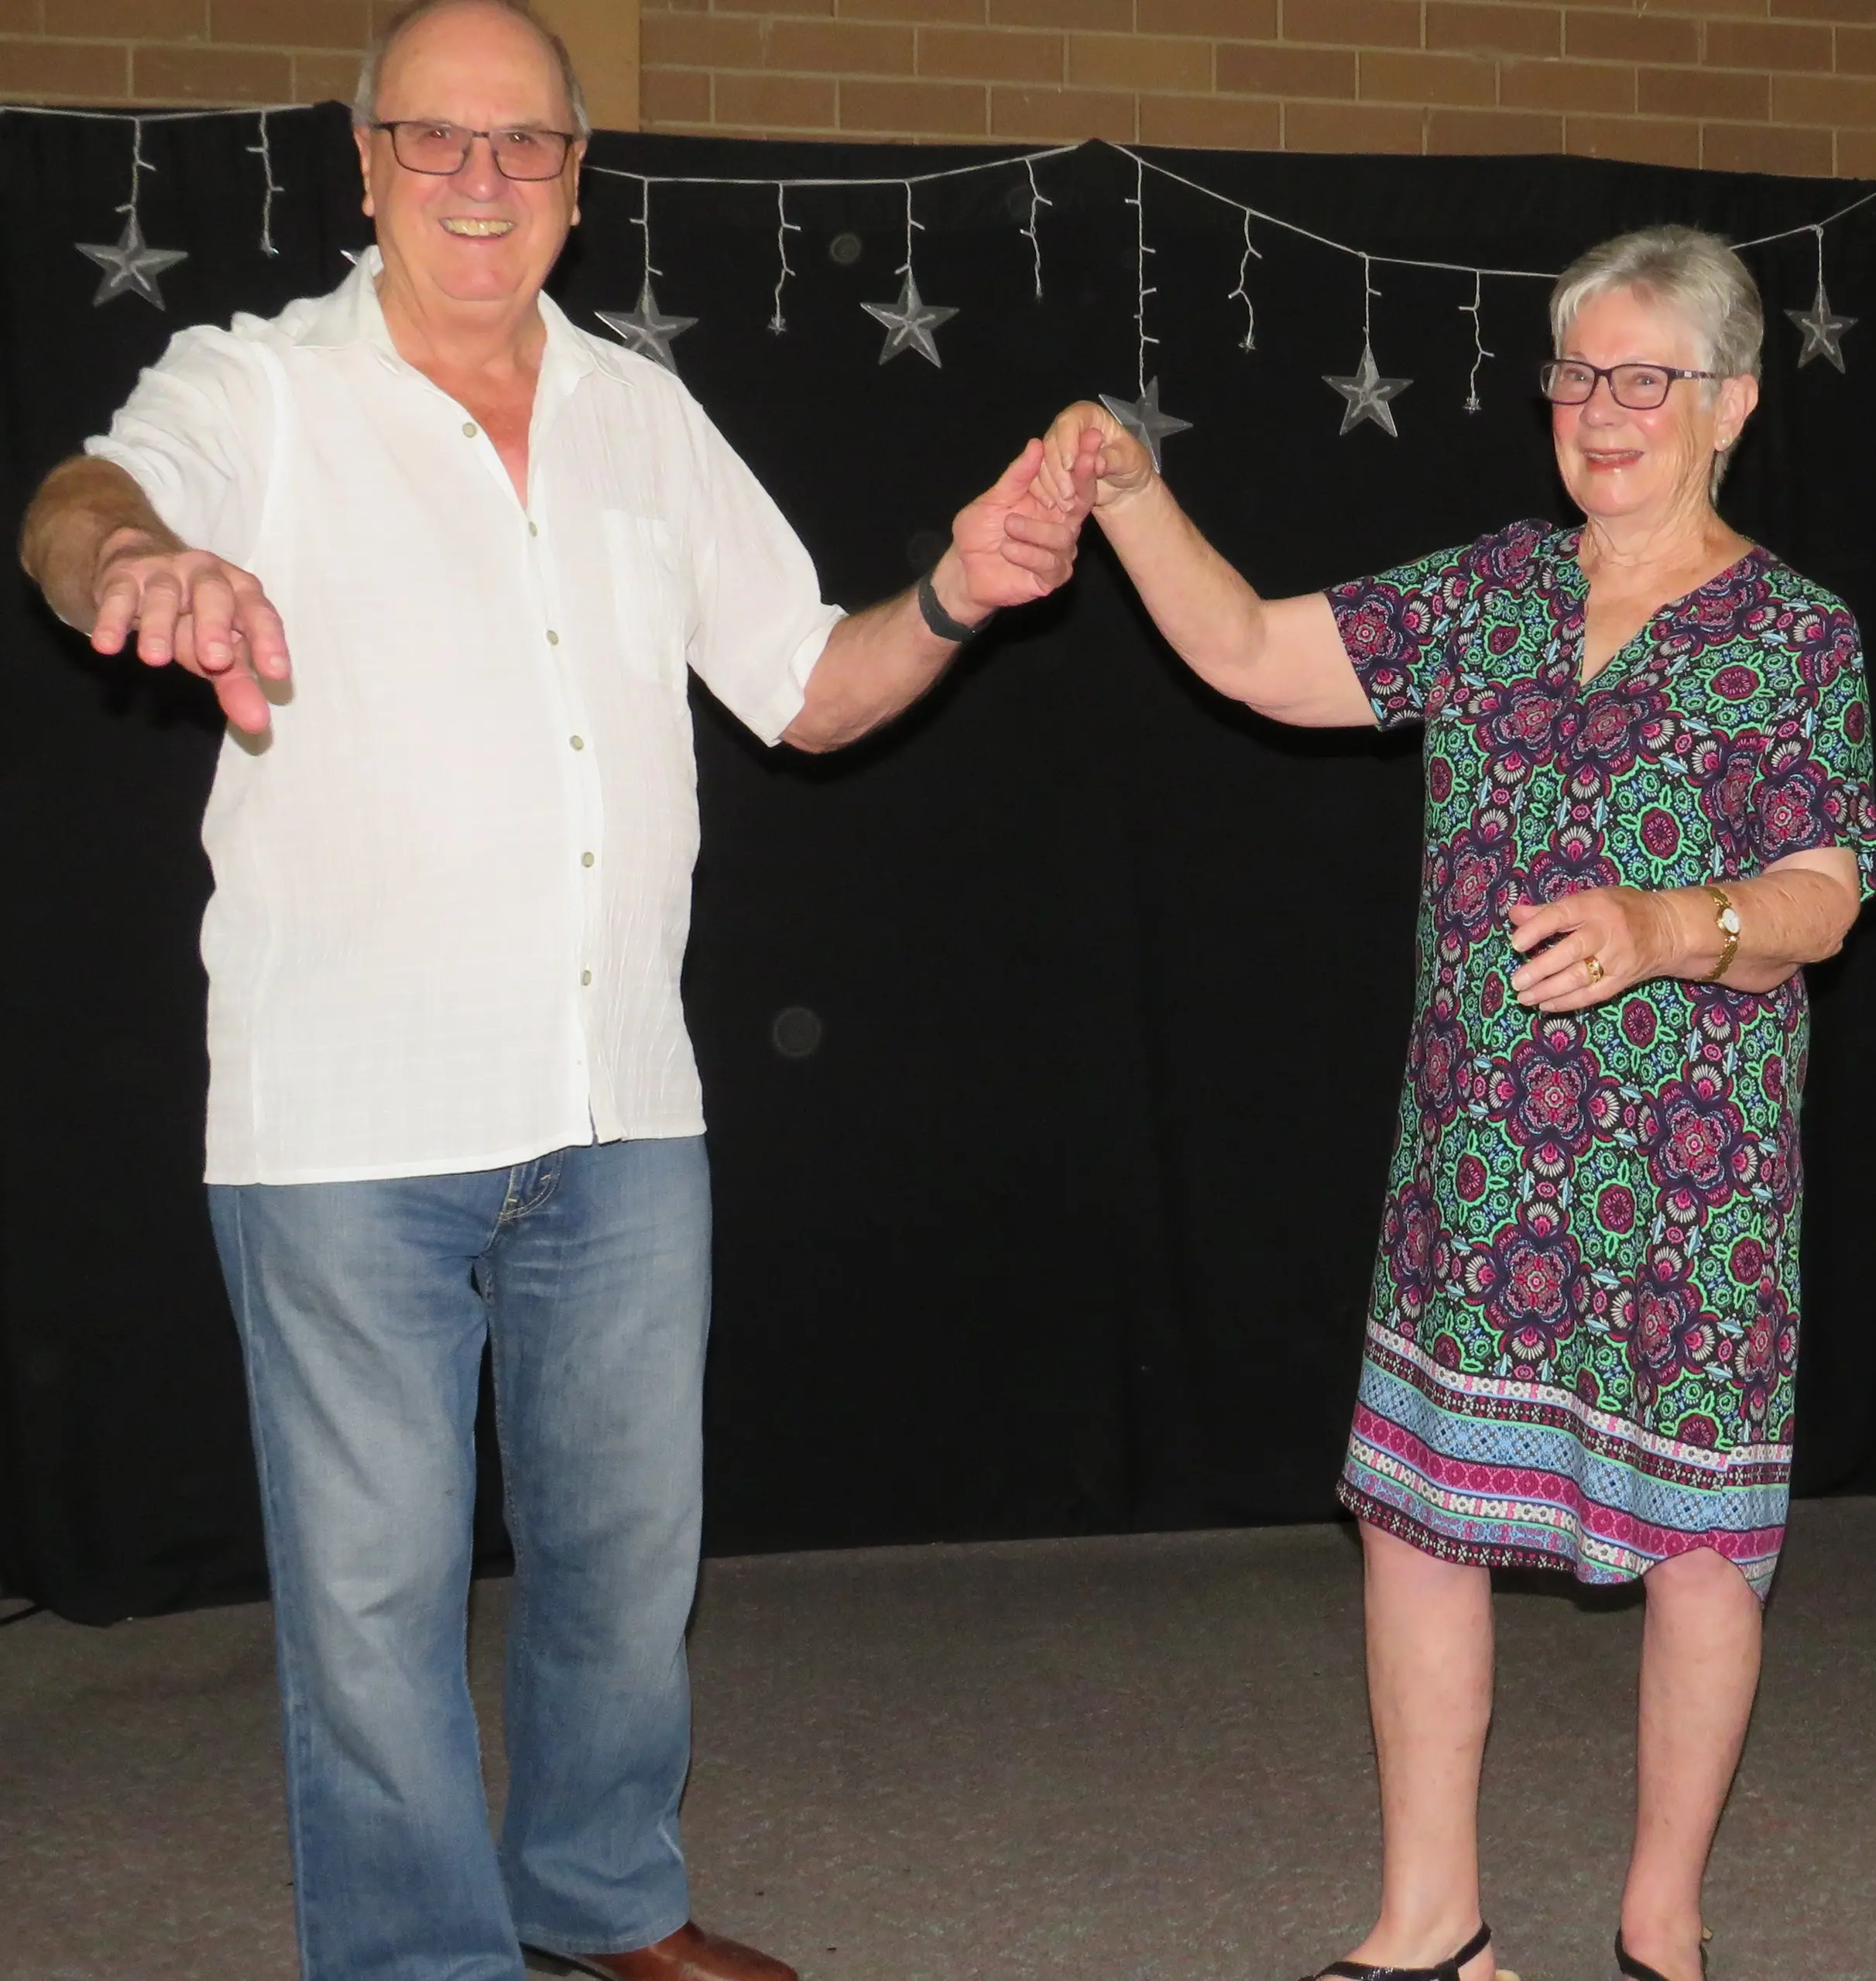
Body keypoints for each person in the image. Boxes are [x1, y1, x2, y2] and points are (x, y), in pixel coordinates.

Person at [13, 2, 1085, 1973]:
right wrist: (134, 571)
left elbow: (807, 690)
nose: (481, 181)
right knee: (373, 1596)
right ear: (364, 161)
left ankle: (601, 1902)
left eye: (526, 147)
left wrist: (955, 587)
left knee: (621, 1563)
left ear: (580, 183)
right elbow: (85, 499)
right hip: (346, 1122)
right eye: (437, 139)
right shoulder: (253, 388)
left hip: (620, 1108)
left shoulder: (638, 417)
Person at [1037, 224, 1876, 1981]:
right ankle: (1433, 1928)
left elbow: (1828, 891)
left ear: (1730, 401)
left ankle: (1664, 1928)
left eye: (1645, 376)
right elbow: (1263, 655)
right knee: (1421, 1524)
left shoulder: (1798, 632)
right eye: (1577, 374)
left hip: (1689, 1184)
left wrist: (1671, 925)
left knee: (1700, 1548)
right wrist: (1128, 491)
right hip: (1481, 1163)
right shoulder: (1501, 587)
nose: (1602, 409)